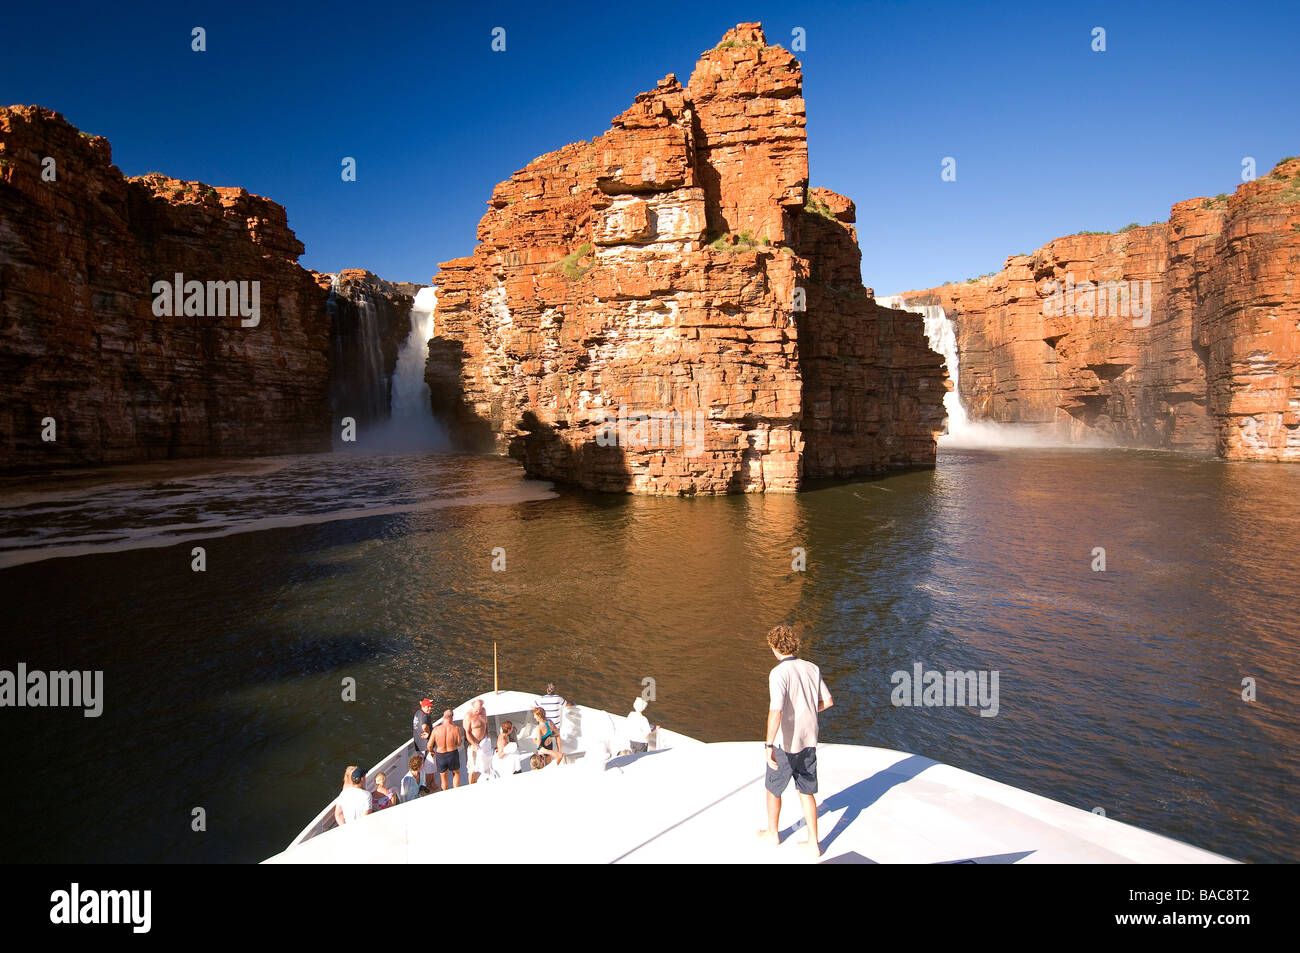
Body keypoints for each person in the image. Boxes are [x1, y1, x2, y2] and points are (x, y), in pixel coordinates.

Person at [758, 624, 833, 856]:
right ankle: (814, 843)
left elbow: (776, 710)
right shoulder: (812, 668)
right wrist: (808, 710)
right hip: (809, 741)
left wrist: (769, 744)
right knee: (807, 792)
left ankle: (773, 833)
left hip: (785, 743)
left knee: (773, 789)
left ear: (774, 648)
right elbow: (828, 701)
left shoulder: (778, 673)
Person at [431, 708, 464, 790]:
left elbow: (429, 745)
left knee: (443, 778)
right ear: (452, 718)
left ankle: (445, 792)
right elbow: (459, 743)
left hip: (440, 755)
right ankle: (456, 790)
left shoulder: (436, 729)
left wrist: (432, 752)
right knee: (456, 773)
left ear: (443, 717)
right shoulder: (456, 729)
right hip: (452, 753)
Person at [463, 698, 492, 784]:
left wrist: (487, 732)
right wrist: (474, 744)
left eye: (479, 709)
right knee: (473, 767)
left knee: (483, 763)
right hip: (473, 744)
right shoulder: (468, 716)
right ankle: (471, 784)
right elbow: (467, 732)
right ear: (473, 707)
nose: (478, 711)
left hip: (483, 742)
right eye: (476, 709)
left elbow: (485, 723)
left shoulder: (483, 711)